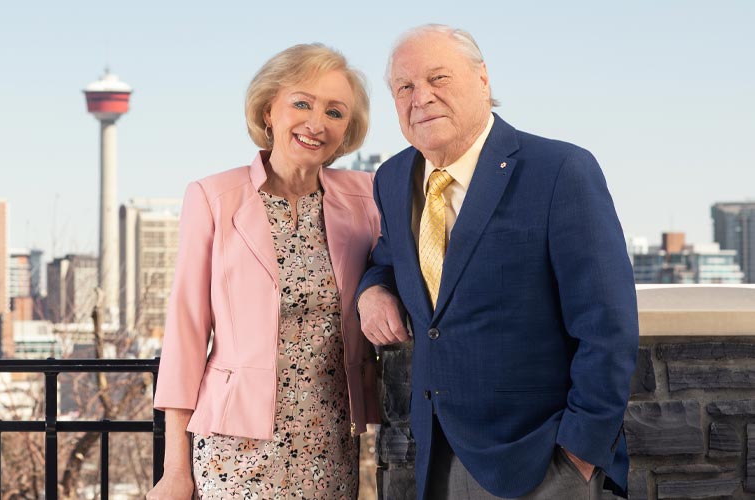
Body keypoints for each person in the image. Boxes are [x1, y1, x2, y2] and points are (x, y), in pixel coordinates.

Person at [356, 24, 639, 499]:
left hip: (541, 459)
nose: (420, 97)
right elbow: (389, 257)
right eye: (404, 86)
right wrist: (372, 290)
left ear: (483, 79)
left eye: (438, 78)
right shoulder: (392, 175)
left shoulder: (559, 170)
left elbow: (608, 325)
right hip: (439, 454)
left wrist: (579, 455)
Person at [147, 43, 381, 499]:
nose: (317, 123)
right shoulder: (213, 197)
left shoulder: (367, 197)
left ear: (348, 130)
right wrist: (175, 469)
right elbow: (186, 334)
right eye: (301, 103)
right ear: (268, 110)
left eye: (335, 112)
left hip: (330, 441)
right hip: (235, 447)